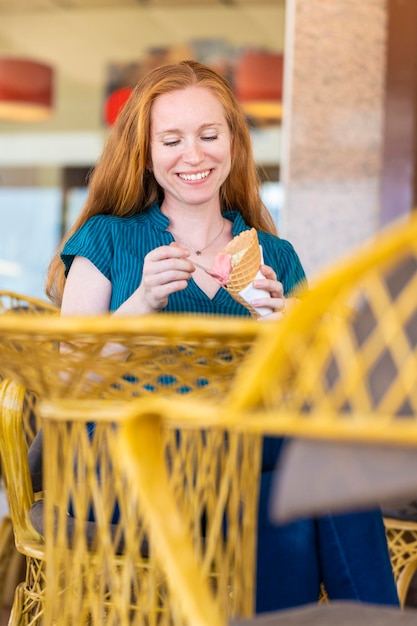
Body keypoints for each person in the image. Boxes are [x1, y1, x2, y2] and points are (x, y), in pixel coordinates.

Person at [44, 60, 399, 612]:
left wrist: (286, 338)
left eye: (209, 135)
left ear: (233, 142)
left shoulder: (273, 256)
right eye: (172, 139)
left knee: (281, 501)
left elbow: (317, 393)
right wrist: (139, 305)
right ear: (147, 151)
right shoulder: (107, 239)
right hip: (126, 467)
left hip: (242, 464)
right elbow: (67, 380)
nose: (194, 155)